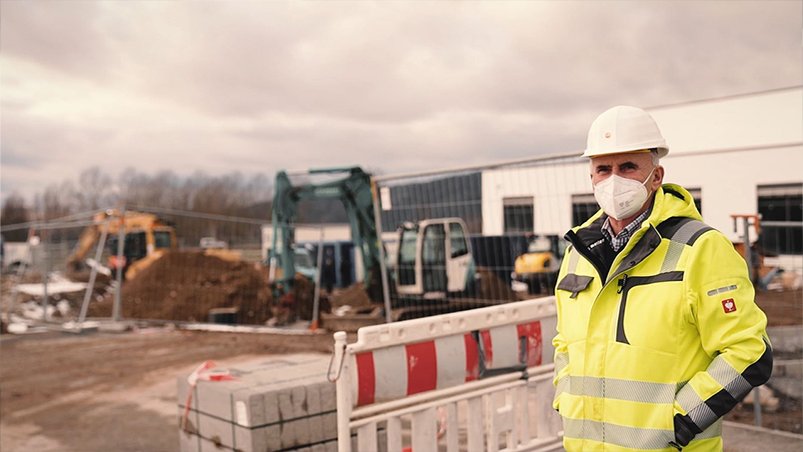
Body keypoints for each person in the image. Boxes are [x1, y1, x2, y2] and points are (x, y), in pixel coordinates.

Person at [552, 106, 772, 451]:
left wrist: (681, 421)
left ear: (656, 176)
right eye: (603, 169)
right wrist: (565, 393)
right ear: (591, 177)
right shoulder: (578, 253)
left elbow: (750, 351)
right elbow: (565, 343)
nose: (614, 180)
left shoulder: (701, 248)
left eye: (628, 167)